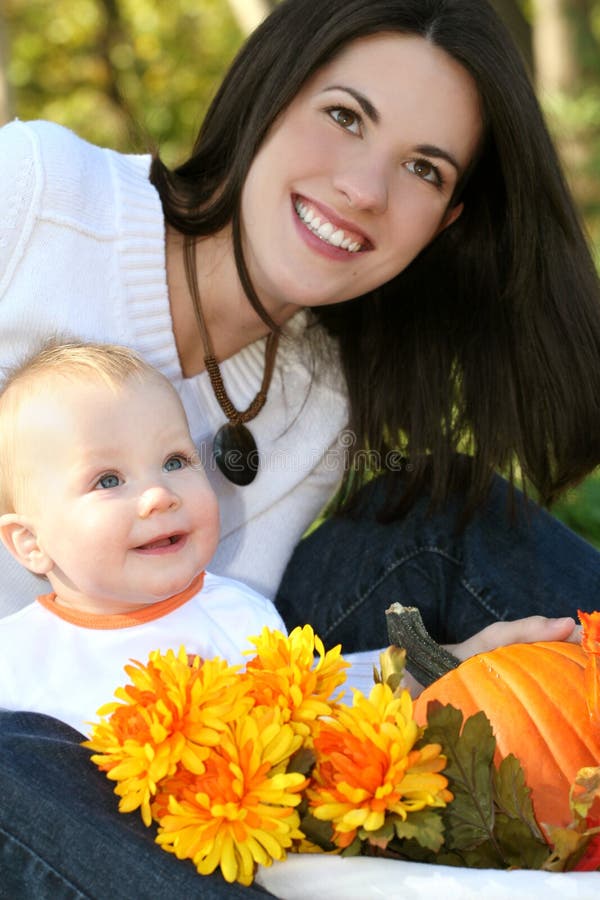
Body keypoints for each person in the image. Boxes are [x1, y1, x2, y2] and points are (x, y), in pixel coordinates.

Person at [1, 0, 600, 895]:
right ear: (272, 94)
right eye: (346, 116)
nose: (364, 188)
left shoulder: (324, 393)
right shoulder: (38, 200)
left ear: (446, 220)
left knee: (441, 513)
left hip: (171, 742)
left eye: (423, 168)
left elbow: (246, 673)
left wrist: (441, 671)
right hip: (32, 759)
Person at [0, 340, 286, 735]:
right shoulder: (15, 662)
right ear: (32, 542)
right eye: (108, 480)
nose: (159, 496)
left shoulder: (242, 620)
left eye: (175, 462)